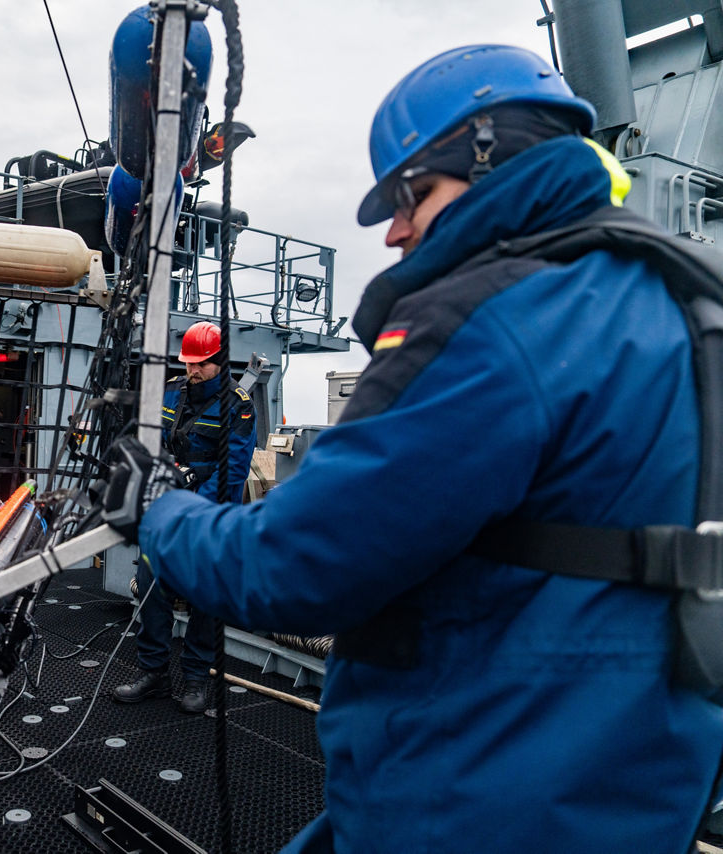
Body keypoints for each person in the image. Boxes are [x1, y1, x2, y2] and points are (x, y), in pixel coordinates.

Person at [103, 45, 723, 853]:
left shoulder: (490, 318)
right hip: (634, 793)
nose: (395, 231)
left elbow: (291, 566)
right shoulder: (689, 307)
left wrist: (157, 510)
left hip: (472, 794)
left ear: (490, 158)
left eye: (412, 196)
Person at [111, 321, 255, 714]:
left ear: (219, 362)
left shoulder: (238, 405)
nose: (193, 371)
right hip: (164, 508)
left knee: (204, 599)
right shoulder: (171, 392)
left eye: (201, 365)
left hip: (208, 517)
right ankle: (154, 673)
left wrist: (189, 511)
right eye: (189, 363)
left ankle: (195, 679)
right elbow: (152, 447)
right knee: (150, 588)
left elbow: (233, 473)